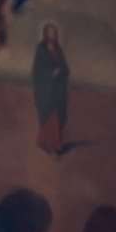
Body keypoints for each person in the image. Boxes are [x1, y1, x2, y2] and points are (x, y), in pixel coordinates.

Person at [31, 23, 70, 155]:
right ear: (45, 34)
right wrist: (49, 74)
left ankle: (53, 143)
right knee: (48, 116)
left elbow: (65, 68)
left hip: (58, 90)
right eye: (49, 32)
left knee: (57, 116)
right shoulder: (41, 50)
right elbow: (37, 70)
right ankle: (49, 144)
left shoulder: (58, 50)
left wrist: (61, 71)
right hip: (46, 90)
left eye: (53, 32)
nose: (51, 35)